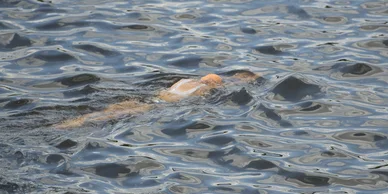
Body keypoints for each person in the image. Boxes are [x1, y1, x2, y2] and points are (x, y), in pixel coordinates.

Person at [55, 72, 257, 129]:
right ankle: (72, 124)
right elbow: (195, 102)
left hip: (151, 98)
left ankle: (72, 121)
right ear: (215, 84)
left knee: (112, 110)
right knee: (115, 115)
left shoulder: (185, 80)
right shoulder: (203, 90)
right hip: (156, 106)